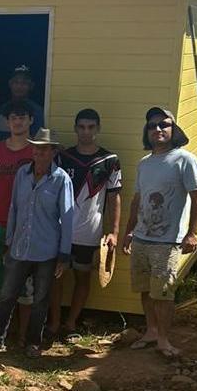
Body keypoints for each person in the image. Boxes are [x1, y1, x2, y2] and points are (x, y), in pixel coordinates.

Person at [0, 128, 75, 358]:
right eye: (36, 148)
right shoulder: (22, 174)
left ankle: (33, 342)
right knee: (6, 295)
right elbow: (14, 209)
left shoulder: (61, 179)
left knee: (40, 299)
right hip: (19, 247)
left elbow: (67, 217)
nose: (39, 153)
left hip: (46, 250)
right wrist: (9, 241)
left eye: (44, 149)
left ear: (53, 152)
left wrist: (64, 254)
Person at [123, 107, 197, 358]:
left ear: (173, 130)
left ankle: (164, 340)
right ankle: (150, 331)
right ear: (146, 132)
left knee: (164, 293)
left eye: (164, 125)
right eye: (152, 126)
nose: (157, 129)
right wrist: (129, 231)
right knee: (146, 290)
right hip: (141, 238)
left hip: (167, 241)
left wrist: (192, 233)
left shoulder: (184, 160)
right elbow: (137, 199)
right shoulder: (145, 163)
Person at [48, 109, 122, 340]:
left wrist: (114, 232)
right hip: (61, 232)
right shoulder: (63, 157)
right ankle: (53, 324)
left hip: (90, 233)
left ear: (98, 129)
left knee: (82, 277)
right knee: (56, 278)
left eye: (91, 127)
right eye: (81, 127)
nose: (86, 132)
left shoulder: (110, 161)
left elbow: (114, 197)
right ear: (75, 129)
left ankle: (71, 324)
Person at [0, 101, 34, 341]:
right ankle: (3, 332)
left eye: (23, 117)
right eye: (13, 117)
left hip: (28, 229)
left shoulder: (38, 151)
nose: (18, 121)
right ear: (7, 121)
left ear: (31, 120)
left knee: (26, 284)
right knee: (2, 283)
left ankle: (24, 334)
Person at [0, 65, 45, 139]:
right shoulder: (3, 109)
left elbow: (37, 138)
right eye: (16, 82)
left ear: (31, 86)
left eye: (24, 83)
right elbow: (2, 136)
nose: (19, 86)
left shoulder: (37, 111)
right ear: (10, 84)